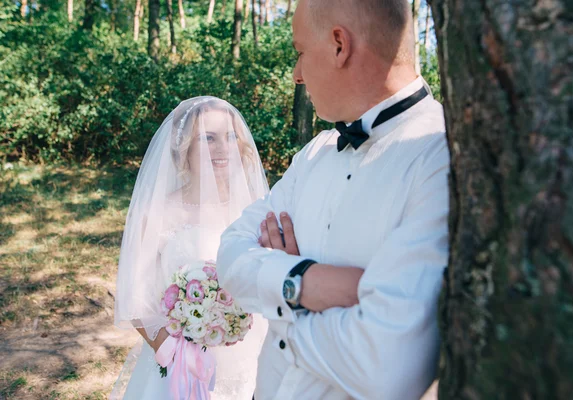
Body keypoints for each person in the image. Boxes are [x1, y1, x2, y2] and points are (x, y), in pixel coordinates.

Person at [216, 1, 449, 399]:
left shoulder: (440, 157)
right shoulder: (315, 153)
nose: (297, 75)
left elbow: (386, 365)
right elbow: (230, 256)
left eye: (300, 52)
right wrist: (304, 283)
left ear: (340, 45)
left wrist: (281, 306)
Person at [111, 97, 269, 399]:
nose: (223, 148)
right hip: (180, 366)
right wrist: (173, 352)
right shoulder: (159, 212)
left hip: (251, 358)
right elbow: (135, 295)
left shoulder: (256, 209)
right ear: (184, 148)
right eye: (208, 138)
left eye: (230, 137)